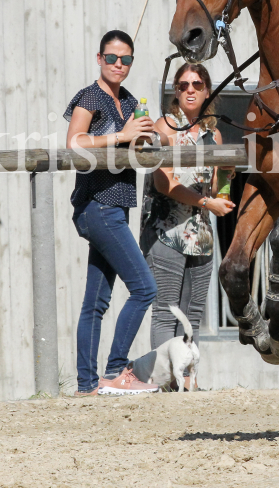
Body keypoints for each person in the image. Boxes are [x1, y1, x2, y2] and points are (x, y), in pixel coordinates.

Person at [65, 29, 160, 396]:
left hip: (114, 207)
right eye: (111, 58)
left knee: (96, 301)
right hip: (98, 207)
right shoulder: (90, 96)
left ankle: (87, 385)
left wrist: (141, 138)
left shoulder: (131, 101)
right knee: (144, 288)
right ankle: (116, 371)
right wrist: (121, 136)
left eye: (126, 60)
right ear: (99, 58)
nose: (118, 65)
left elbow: (130, 145)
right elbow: (75, 144)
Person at [129, 63, 235, 390]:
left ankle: (190, 384)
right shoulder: (164, 129)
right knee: (165, 311)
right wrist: (208, 203)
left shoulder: (212, 134)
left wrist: (227, 175)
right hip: (166, 232)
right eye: (184, 84)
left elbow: (216, 185)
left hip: (201, 235)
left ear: (206, 92)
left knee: (193, 314)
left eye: (197, 84)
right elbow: (165, 184)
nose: (190, 89)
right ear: (176, 91)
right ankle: (162, 383)